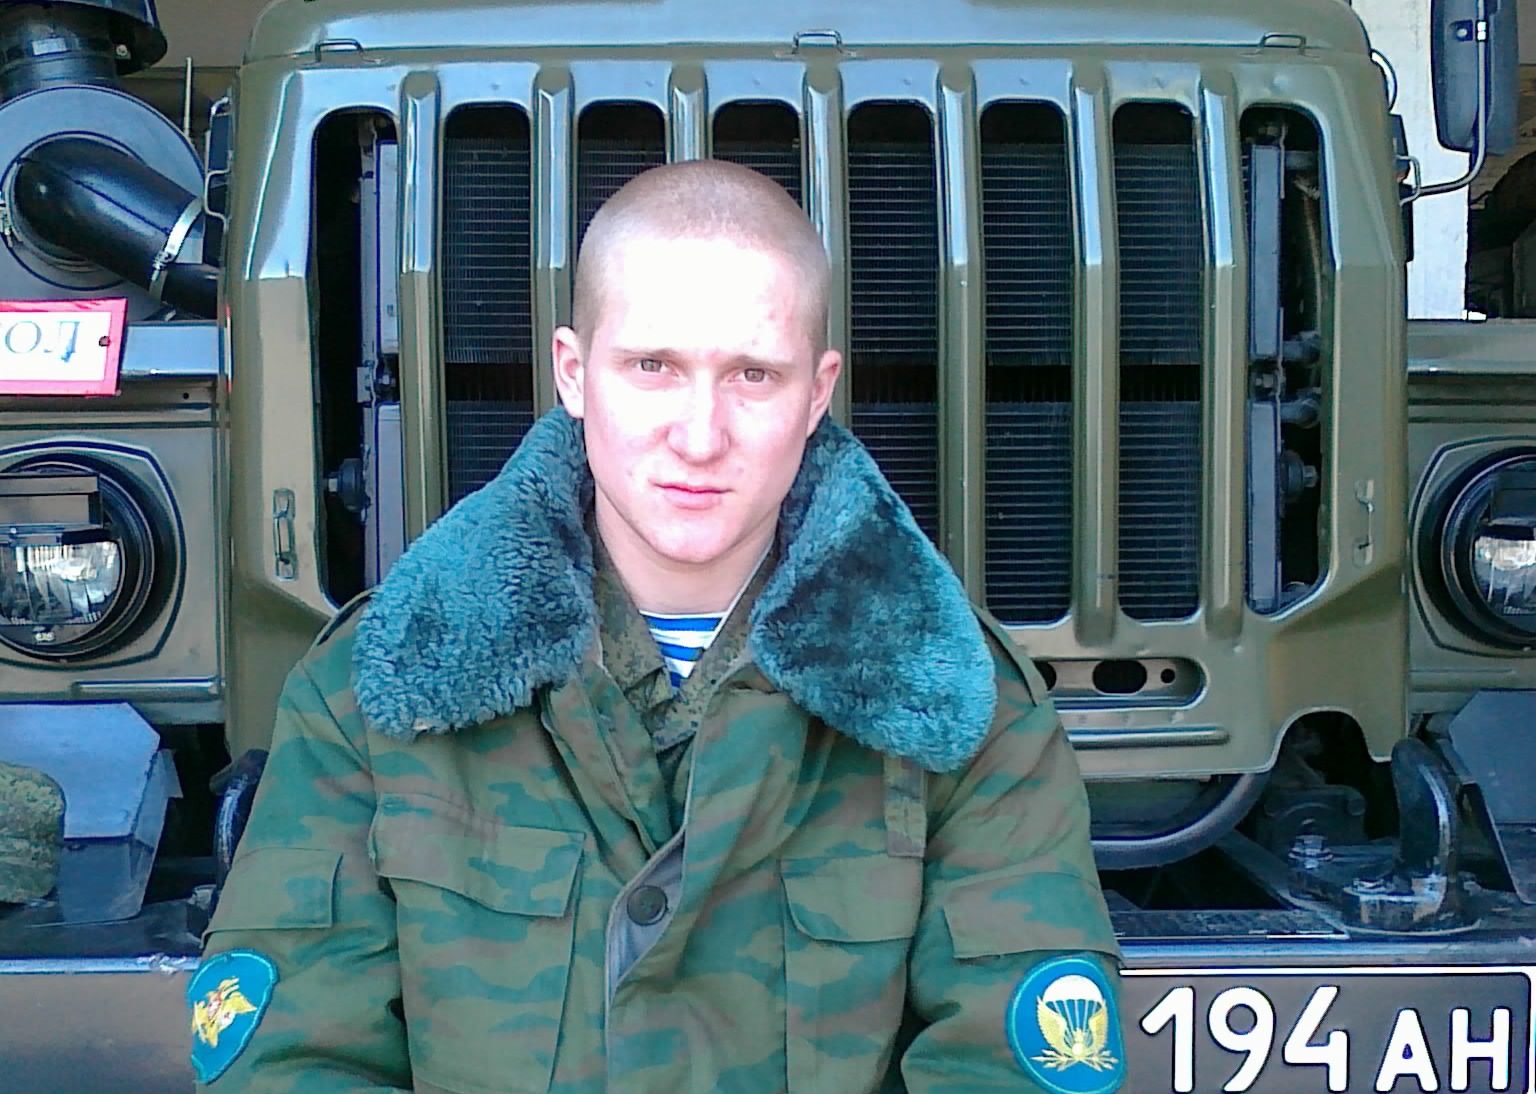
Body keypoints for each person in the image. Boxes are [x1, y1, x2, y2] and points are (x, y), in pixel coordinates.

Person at [189, 160, 1125, 1093]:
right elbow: (293, 1061)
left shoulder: (957, 704)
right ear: (572, 373)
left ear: (817, 393)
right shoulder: (382, 686)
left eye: (753, 375)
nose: (700, 436)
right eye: (652, 367)